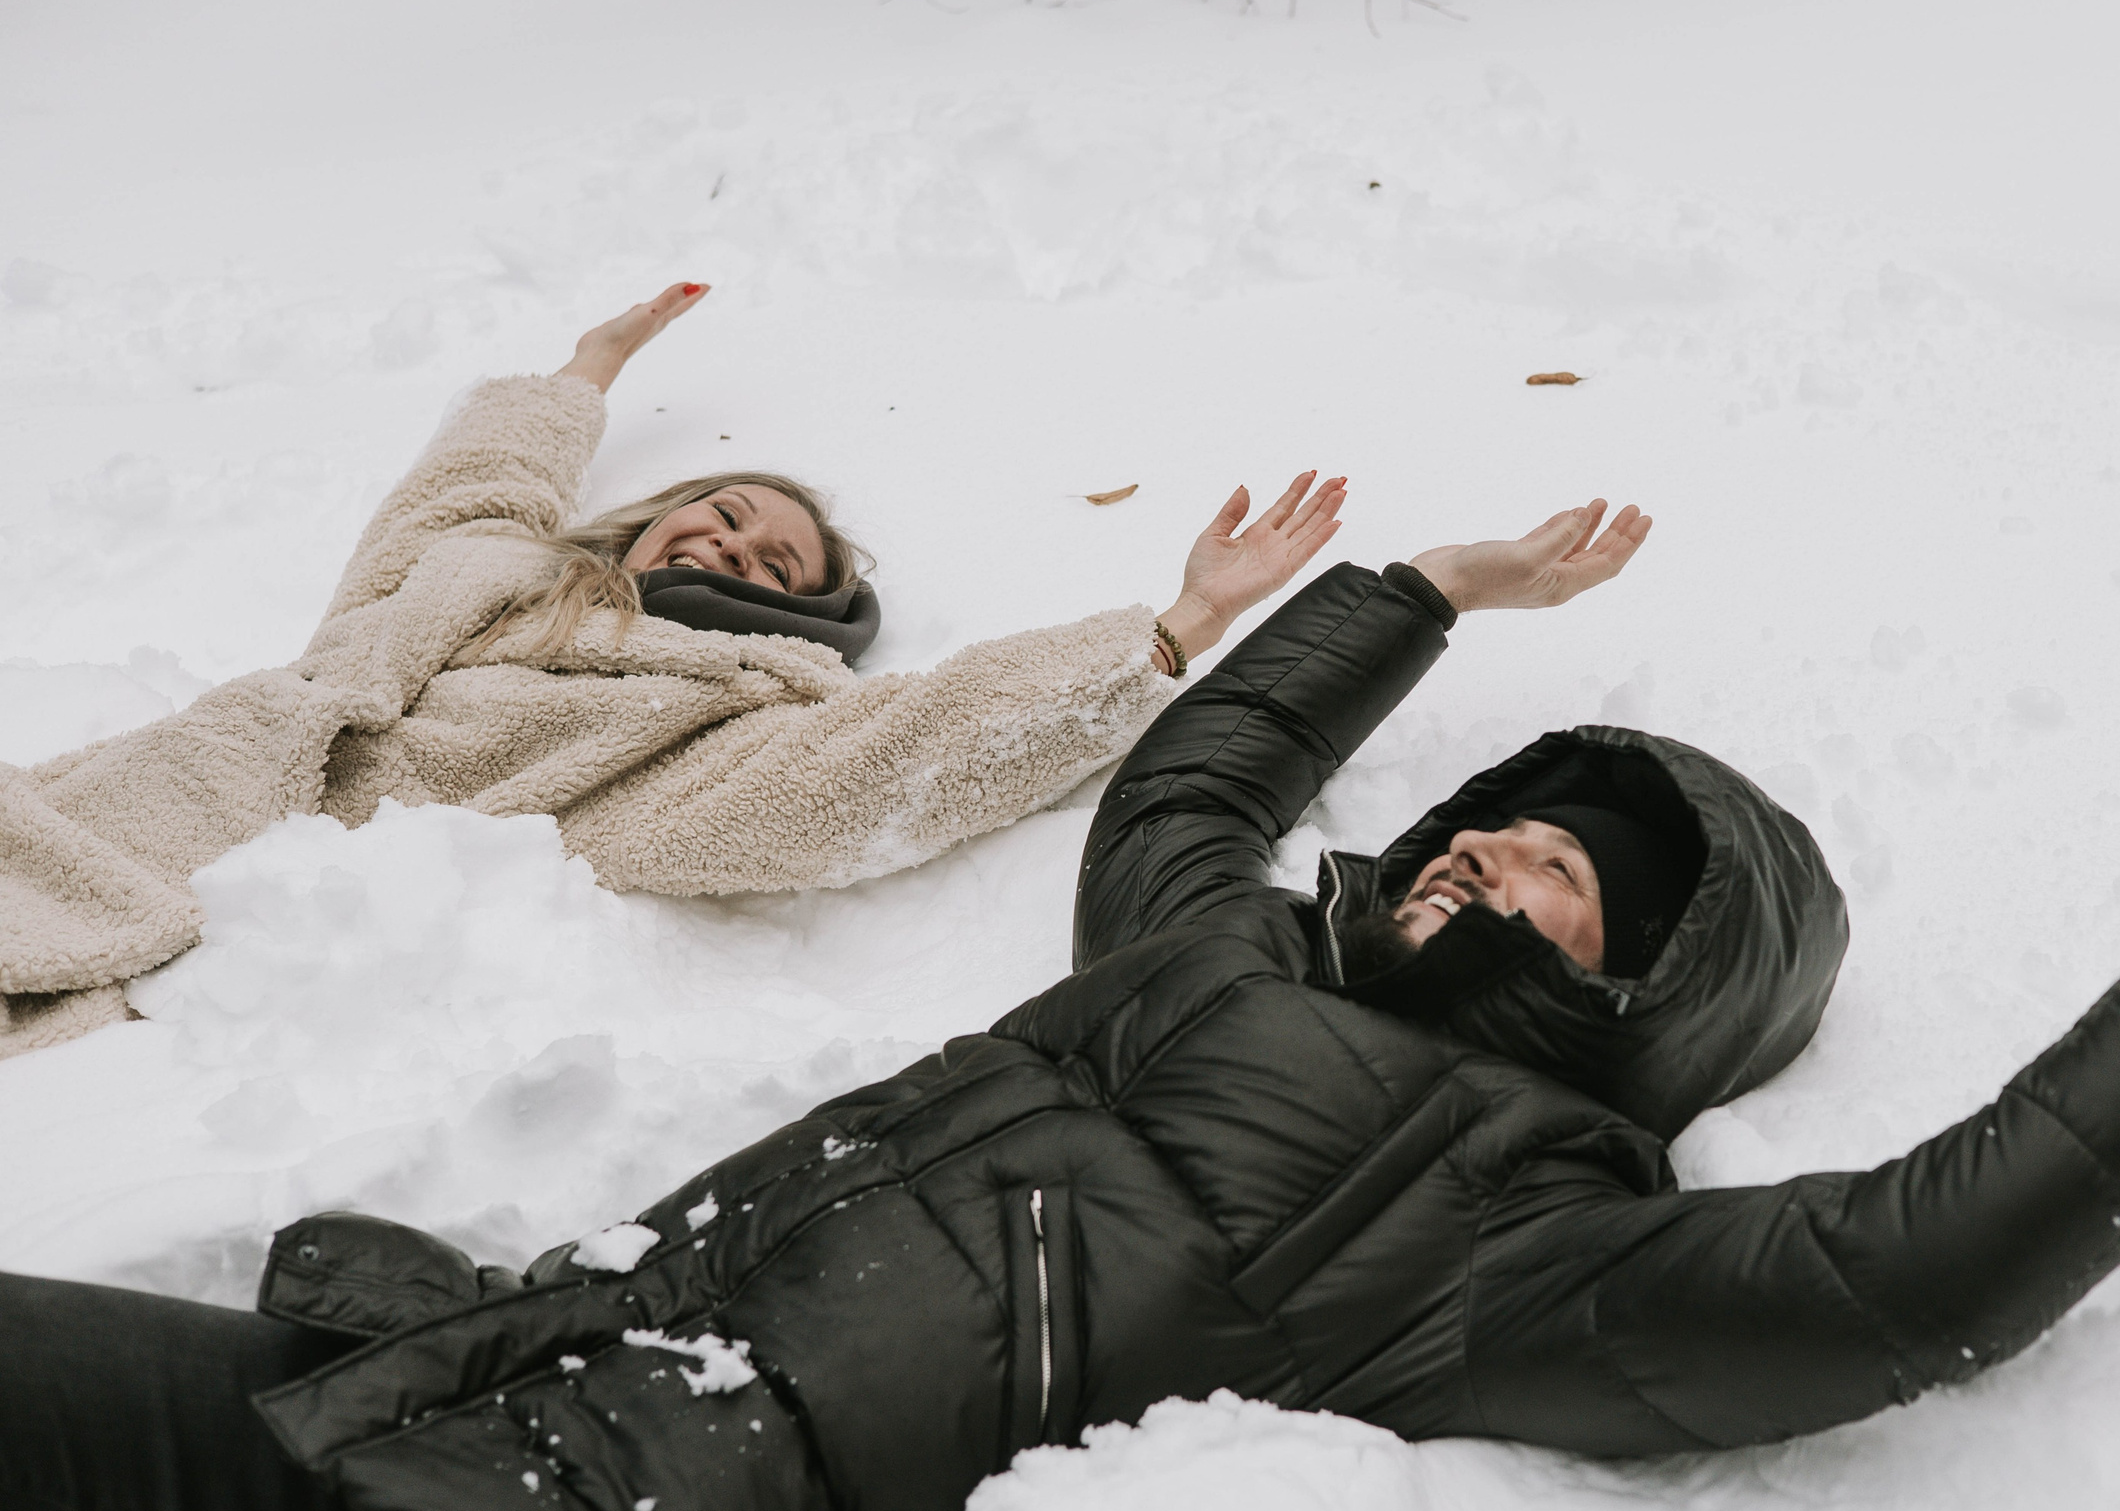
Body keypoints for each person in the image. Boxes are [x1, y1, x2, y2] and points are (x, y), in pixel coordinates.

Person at [0, 504, 2120, 1511]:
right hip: (479, 1373)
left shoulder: (1518, 1216)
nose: (1502, 853)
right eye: (1501, 822)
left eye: (1578, 880)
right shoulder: (1202, 955)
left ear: (1652, 1002)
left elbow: (1885, 1275)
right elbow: (1202, 780)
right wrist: (1414, 589)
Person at [0, 282, 1347, 1060]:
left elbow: (901, 756)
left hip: (219, 910)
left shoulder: (722, 722)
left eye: (780, 564)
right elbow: (477, 479)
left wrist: (1163, 633)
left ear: (804, 625)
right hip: (106, 801)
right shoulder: (482, 570)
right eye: (729, 510)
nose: (738, 547)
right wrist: (589, 366)